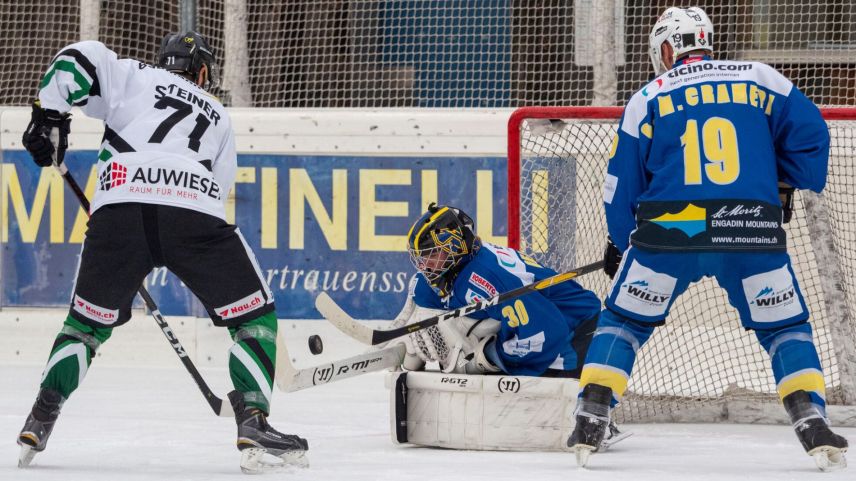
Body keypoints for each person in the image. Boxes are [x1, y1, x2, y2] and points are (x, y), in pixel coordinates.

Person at [567, 7, 848, 471]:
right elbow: (813, 132)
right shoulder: (760, 77)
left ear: (665, 48)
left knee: (624, 322)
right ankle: (811, 419)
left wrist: (622, 241)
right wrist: (783, 183)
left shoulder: (649, 95)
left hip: (672, 228)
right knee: (784, 329)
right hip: (751, 226)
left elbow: (620, 186)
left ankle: (591, 414)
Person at [17, 33, 307, 473]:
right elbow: (219, 189)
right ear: (203, 72)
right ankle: (253, 419)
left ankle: (41, 416)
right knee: (253, 316)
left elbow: (80, 58)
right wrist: (168, 234)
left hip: (119, 210)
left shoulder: (134, 74)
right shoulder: (219, 115)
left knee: (85, 327)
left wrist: (48, 115)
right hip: (191, 209)